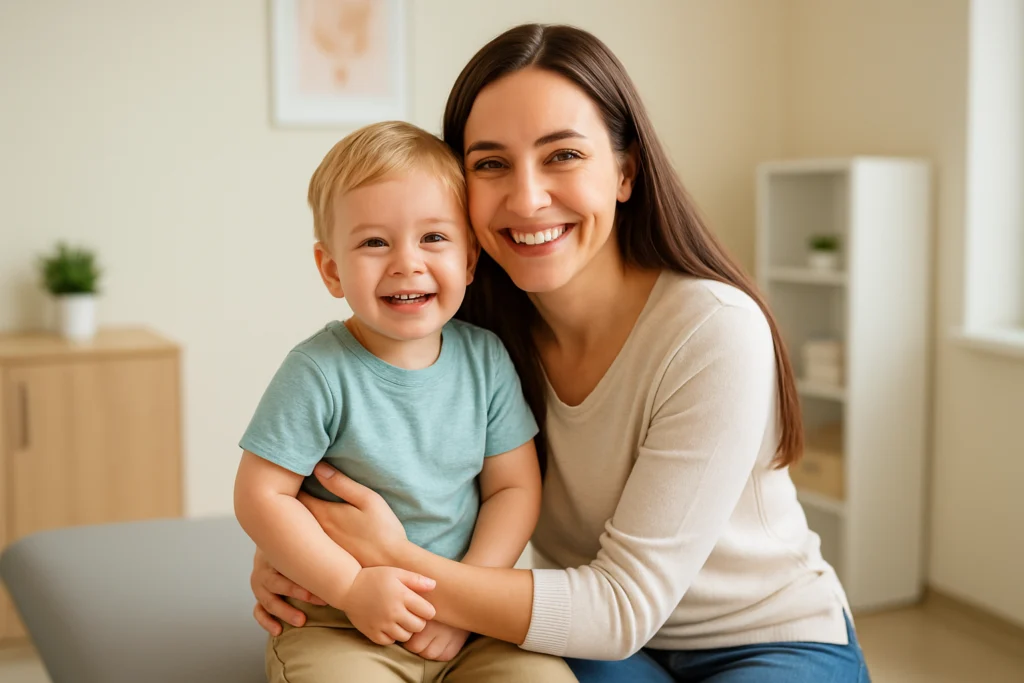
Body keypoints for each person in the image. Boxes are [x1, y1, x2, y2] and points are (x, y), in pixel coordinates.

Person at [250, 24, 872, 682]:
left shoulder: (713, 330)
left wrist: (391, 566)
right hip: (600, 639)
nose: (526, 197)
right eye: (490, 163)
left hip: (759, 636)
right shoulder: (471, 330)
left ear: (626, 170)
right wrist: (310, 564)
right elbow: (351, 470)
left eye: (563, 155)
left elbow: (623, 605)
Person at [234, 120, 577, 682]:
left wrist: (466, 601)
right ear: (331, 269)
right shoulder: (317, 370)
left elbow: (514, 488)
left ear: (469, 260)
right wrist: (349, 587)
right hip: (341, 622)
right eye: (374, 242)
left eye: (434, 238)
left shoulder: (486, 360)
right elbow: (260, 495)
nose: (406, 262)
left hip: (470, 625)